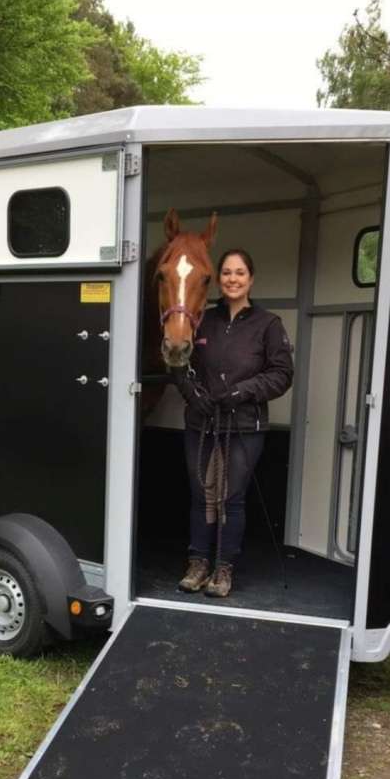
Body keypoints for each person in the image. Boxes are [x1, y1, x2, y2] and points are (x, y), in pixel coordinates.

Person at [173, 249, 293, 598]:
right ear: (219, 279)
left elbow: (282, 374)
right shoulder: (202, 319)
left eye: (239, 273)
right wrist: (193, 395)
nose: (232, 279)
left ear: (250, 279)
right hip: (202, 422)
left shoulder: (269, 325)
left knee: (231, 497)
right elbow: (179, 362)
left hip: (243, 425)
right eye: (226, 272)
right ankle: (198, 563)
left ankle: (224, 567)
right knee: (201, 495)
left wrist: (243, 392)